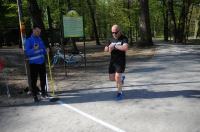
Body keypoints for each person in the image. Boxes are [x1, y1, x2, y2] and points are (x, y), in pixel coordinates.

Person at [25, 26, 49, 102]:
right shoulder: (29, 40)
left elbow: (43, 50)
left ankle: (43, 92)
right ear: (33, 30)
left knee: (43, 78)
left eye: (40, 32)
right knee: (34, 80)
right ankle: (34, 95)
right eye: (38, 31)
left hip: (42, 62)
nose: (39, 33)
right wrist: (34, 49)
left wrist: (46, 50)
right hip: (34, 64)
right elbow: (27, 53)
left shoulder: (40, 39)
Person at [104, 24, 128, 100]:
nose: (114, 34)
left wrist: (114, 46)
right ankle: (121, 79)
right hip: (113, 61)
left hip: (121, 61)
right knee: (112, 78)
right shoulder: (110, 39)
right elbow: (105, 49)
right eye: (112, 32)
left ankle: (119, 93)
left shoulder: (124, 38)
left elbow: (125, 48)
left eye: (115, 32)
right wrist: (108, 48)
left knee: (117, 77)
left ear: (119, 31)